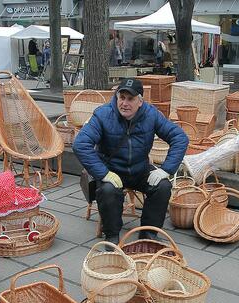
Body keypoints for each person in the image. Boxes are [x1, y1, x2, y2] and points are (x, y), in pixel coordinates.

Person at [73, 78, 189, 245]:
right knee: (107, 191)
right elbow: (80, 144)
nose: (124, 103)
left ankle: (149, 233)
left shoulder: (151, 114)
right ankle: (112, 235)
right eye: (122, 97)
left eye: (130, 99)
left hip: (139, 168)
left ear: (140, 101)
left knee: (163, 186)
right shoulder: (103, 114)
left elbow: (179, 138)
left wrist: (166, 169)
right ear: (117, 97)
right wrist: (103, 173)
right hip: (111, 170)